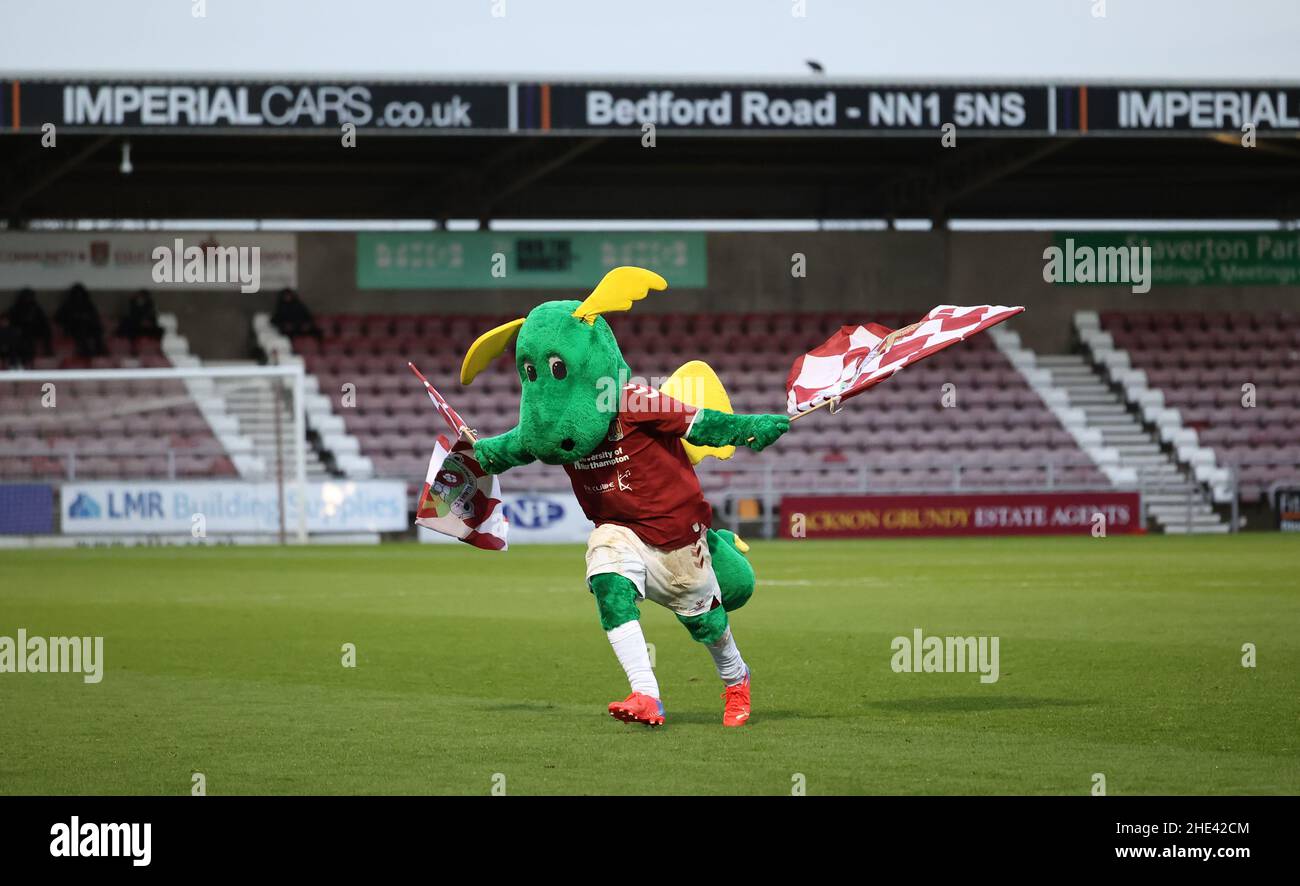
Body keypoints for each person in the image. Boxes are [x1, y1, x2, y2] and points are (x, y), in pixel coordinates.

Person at [464, 267, 791, 729]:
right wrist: (475, 453)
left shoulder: (635, 401)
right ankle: (647, 694)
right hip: (621, 532)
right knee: (606, 580)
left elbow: (699, 422)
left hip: (678, 537)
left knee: (707, 627)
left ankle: (737, 679)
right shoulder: (552, 426)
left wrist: (752, 427)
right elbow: (510, 447)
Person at [54, 283, 106, 357]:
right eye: (77, 294)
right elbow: (58, 318)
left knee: (97, 330)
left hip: (89, 328)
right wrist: (74, 318)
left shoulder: (88, 304)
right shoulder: (67, 304)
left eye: (81, 294)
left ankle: (100, 350)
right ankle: (84, 352)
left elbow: (95, 317)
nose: (79, 296)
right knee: (81, 329)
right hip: (73, 329)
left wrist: (86, 318)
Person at [6, 287, 52, 361]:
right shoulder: (16, 307)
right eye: (26, 297)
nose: (28, 299)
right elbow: (10, 319)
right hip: (19, 332)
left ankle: (48, 350)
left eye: (30, 297)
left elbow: (44, 321)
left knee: (46, 330)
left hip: (33, 331)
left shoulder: (36, 308)